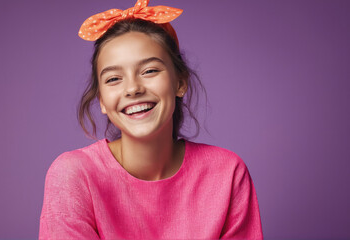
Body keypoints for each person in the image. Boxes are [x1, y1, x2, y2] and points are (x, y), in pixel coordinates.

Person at [39, 0, 263, 239]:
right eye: (114, 79)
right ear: (102, 100)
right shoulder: (73, 174)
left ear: (179, 83)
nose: (133, 88)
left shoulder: (227, 173)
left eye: (149, 71)